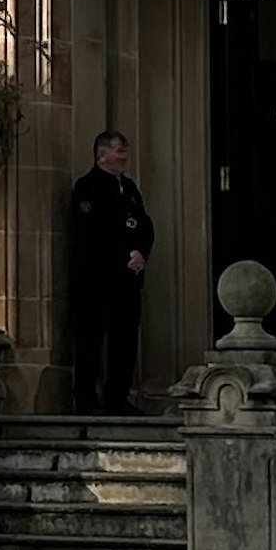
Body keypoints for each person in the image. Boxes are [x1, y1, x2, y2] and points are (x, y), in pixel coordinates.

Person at [61, 130, 154, 415]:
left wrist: (141, 254)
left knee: (125, 342)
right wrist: (122, 255)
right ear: (102, 155)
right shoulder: (86, 188)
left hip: (127, 283)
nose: (124, 155)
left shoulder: (129, 188)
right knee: (89, 342)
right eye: (118, 150)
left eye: (125, 150)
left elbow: (144, 225)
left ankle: (117, 398)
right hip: (95, 282)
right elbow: (93, 233)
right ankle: (86, 400)